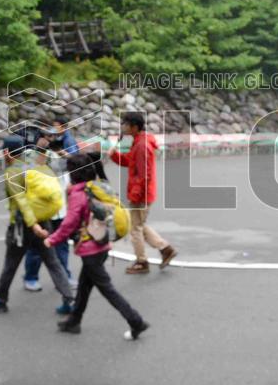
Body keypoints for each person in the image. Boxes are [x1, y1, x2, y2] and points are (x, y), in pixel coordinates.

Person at [46, 153, 150, 340]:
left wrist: (52, 240)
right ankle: (74, 321)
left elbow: (69, 223)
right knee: (85, 286)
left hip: (91, 249)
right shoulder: (97, 188)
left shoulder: (79, 194)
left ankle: (136, 321)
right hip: (102, 244)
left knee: (107, 289)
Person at [0, 135, 75, 314]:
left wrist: (33, 226)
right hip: (44, 221)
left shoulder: (13, 172)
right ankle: (69, 299)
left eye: (3, 151)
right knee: (53, 262)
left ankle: (0, 299)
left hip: (23, 227)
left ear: (8, 153)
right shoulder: (33, 163)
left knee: (11, 263)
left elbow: (22, 202)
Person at [109, 112, 177, 274]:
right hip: (142, 193)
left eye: (125, 124)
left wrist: (135, 195)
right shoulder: (138, 142)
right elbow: (130, 162)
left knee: (135, 228)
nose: (123, 127)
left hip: (141, 195)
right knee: (138, 224)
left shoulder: (142, 146)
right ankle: (165, 248)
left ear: (134, 127)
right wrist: (114, 155)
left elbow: (143, 175)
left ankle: (142, 261)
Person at [23, 134, 73, 292]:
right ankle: (31, 277)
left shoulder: (56, 154)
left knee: (62, 245)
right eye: (45, 137)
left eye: (52, 137)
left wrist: (62, 152)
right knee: (37, 247)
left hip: (61, 209)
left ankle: (65, 276)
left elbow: (77, 164)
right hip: (42, 211)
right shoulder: (28, 157)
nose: (49, 140)